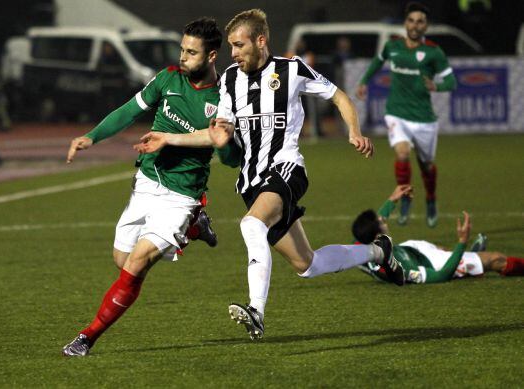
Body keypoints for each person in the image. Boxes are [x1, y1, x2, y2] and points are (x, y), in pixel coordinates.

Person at [133, 9, 404, 342]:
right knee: (308, 265)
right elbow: (217, 133)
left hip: (287, 168)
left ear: (260, 41)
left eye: (238, 45)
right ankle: (379, 252)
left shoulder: (291, 70)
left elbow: (338, 96)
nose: (232, 53)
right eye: (230, 46)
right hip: (253, 182)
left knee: (250, 224)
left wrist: (354, 131)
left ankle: (256, 311)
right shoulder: (230, 80)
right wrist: (168, 138)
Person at [61, 18, 239, 357]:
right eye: (182, 50)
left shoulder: (224, 99)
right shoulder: (169, 78)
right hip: (146, 182)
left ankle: (87, 337)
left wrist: (224, 142)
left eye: (191, 52)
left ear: (212, 55)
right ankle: (195, 227)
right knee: (122, 260)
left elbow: (230, 159)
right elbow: (130, 110)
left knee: (137, 263)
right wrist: (91, 136)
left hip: (181, 195)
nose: (183, 57)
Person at [356, 2, 457, 228]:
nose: (415, 25)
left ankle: (431, 199)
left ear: (426, 25)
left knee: (426, 165)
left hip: (424, 118)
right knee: (402, 155)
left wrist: (436, 87)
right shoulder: (393, 46)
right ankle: (404, 199)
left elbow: (452, 81)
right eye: (411, 20)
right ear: (405, 23)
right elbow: (378, 61)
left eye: (420, 21)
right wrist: (364, 81)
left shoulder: (433, 51)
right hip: (396, 113)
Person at [353, 185, 524, 284]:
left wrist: (392, 199)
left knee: (442, 250)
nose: (384, 220)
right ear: (376, 237)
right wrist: (461, 242)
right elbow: (441, 276)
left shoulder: (362, 243)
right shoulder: (400, 270)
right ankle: (464, 260)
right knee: (495, 259)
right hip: (431, 264)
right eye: (381, 223)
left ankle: (463, 258)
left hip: (410, 249)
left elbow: (375, 223)